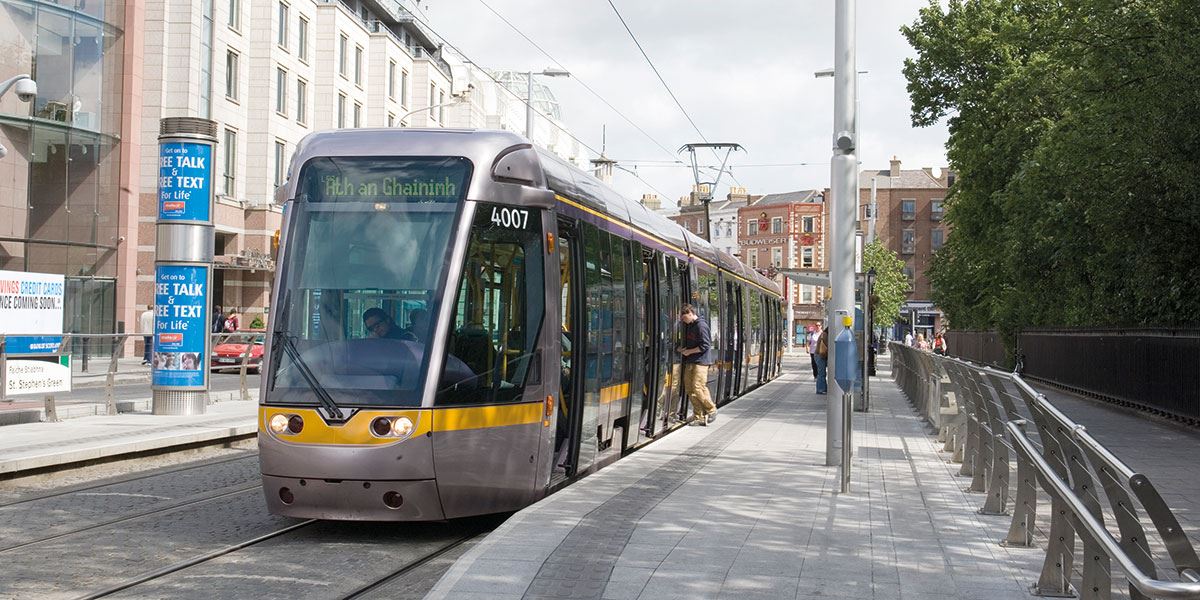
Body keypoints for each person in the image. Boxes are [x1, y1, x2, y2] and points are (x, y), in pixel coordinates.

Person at [677, 304, 717, 426]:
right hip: (691, 360)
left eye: (684, 318)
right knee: (690, 388)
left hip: (701, 362)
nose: (683, 321)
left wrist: (689, 351)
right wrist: (682, 349)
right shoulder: (689, 325)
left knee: (698, 387)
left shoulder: (701, 326)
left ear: (690, 313)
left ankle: (711, 409)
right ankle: (699, 416)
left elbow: (705, 345)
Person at [815, 327, 829, 395]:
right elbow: (828, 346)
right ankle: (821, 389)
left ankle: (822, 388)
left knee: (821, 373)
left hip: (819, 355)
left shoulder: (823, 334)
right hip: (820, 355)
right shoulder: (825, 335)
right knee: (821, 373)